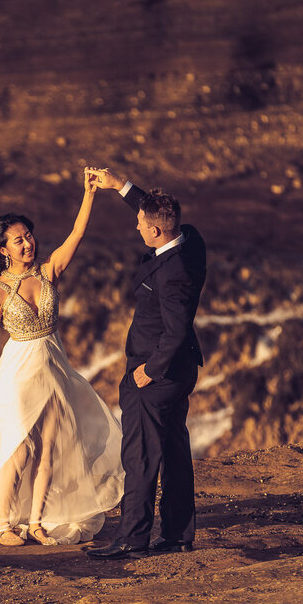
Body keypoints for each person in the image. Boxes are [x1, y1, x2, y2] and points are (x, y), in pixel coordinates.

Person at [0, 169, 123, 547]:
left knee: (50, 446)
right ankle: (2, 525)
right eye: (18, 240)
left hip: (53, 363)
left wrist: (89, 194)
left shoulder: (49, 272)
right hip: (18, 371)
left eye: (28, 236)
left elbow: (76, 234)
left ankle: (36, 522)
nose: (27, 244)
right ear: (4, 250)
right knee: (18, 445)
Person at [84, 169, 207, 560]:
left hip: (157, 373)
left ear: (156, 232)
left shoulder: (174, 274)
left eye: (141, 224)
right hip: (181, 368)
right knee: (172, 450)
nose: (136, 226)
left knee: (138, 455)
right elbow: (149, 209)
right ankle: (176, 536)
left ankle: (132, 539)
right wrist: (118, 184)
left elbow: (175, 329)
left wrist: (148, 371)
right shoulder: (190, 241)